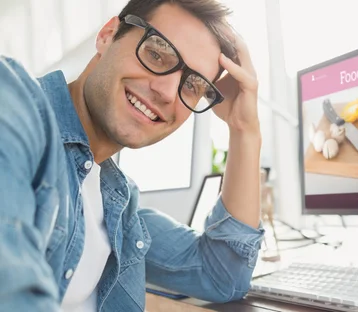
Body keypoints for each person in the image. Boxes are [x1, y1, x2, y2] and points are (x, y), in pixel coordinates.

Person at [0, 0, 264, 311]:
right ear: (108, 35)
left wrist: (245, 129)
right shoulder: (14, 105)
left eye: (192, 85)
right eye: (156, 53)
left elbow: (222, 275)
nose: (167, 92)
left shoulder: (118, 202)